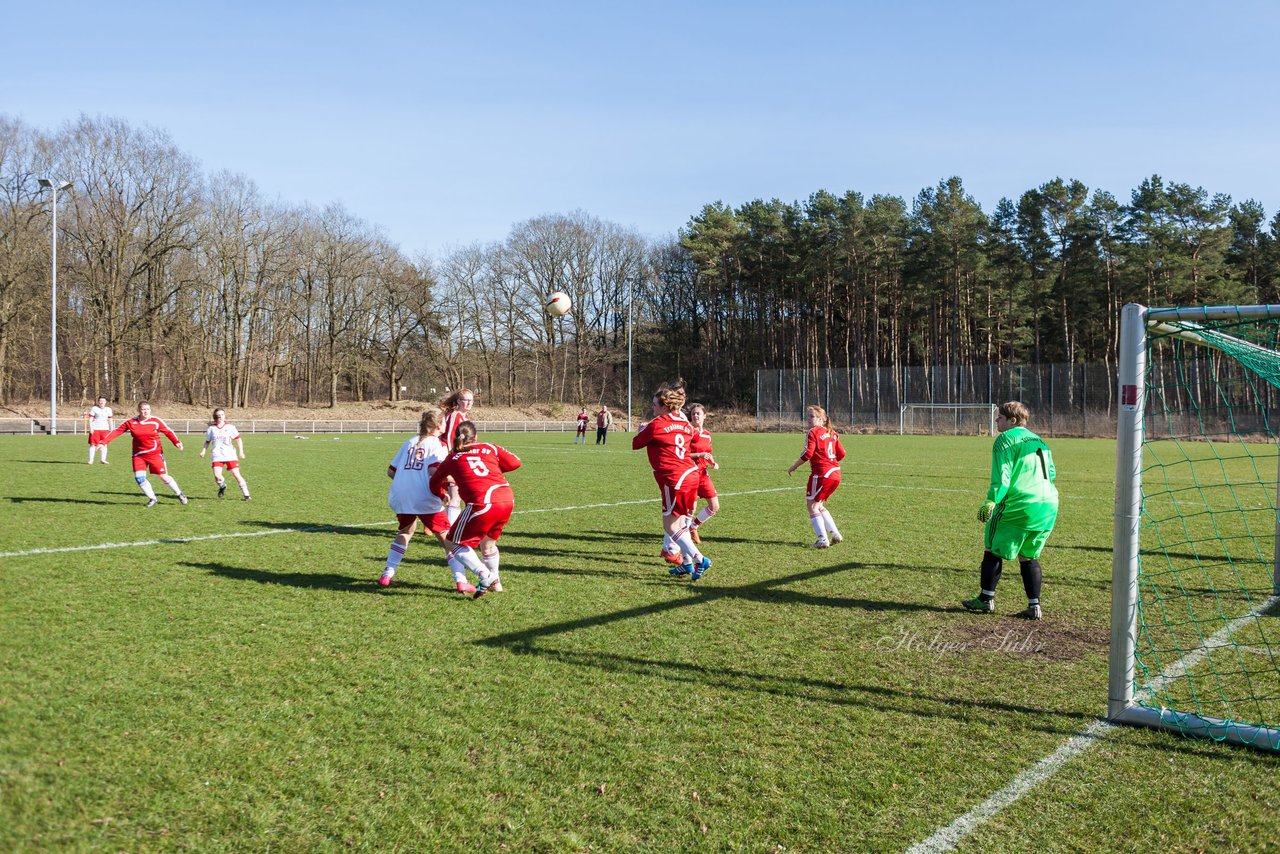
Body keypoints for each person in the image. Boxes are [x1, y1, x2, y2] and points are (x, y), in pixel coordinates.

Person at [962, 401, 1057, 620]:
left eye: (1000, 418)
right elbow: (1051, 473)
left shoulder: (1005, 439)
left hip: (1019, 504)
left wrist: (990, 502)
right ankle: (1034, 606)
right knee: (1028, 555)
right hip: (1048, 505)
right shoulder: (1040, 440)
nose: (996, 421)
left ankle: (985, 600)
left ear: (1012, 421)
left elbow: (1002, 478)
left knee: (992, 549)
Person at [430, 421, 522, 599]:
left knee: (452, 542)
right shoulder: (489, 447)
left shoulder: (452, 457)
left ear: (457, 438)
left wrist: (441, 494)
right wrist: (492, 469)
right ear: (476, 437)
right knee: (488, 545)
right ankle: (496, 582)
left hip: (483, 502)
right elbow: (516, 463)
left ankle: (485, 575)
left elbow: (433, 482)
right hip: (506, 497)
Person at [633, 380, 712, 580]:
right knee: (682, 524)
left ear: (663, 406)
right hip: (691, 474)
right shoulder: (685, 423)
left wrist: (642, 430)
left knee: (670, 526)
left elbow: (636, 444)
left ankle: (699, 559)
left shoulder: (656, 424)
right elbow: (688, 438)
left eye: (653, 405)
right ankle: (686, 564)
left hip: (674, 478)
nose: (651, 408)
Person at [379, 408, 462, 590]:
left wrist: (409, 480)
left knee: (405, 532)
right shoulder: (438, 444)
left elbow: (391, 472)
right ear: (440, 424)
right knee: (448, 540)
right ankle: (461, 580)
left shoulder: (409, 441)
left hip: (400, 496)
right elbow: (435, 471)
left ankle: (387, 573)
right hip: (423, 497)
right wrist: (457, 479)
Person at [101, 401, 187, 507]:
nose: (146, 411)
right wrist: (103, 442)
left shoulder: (156, 421)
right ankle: (152, 498)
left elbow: (168, 432)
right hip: (138, 455)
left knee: (163, 477)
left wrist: (176, 442)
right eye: (143, 409)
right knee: (139, 478)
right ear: (138, 410)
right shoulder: (131, 422)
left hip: (155, 454)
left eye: (148, 409)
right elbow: (117, 431)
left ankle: (179, 494)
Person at [787, 405, 845, 548]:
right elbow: (842, 454)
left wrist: (794, 466)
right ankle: (835, 534)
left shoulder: (813, 432)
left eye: (811, 416)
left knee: (812, 506)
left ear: (820, 419)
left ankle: (822, 540)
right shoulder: (832, 433)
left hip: (822, 474)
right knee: (819, 505)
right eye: (808, 416)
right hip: (835, 473)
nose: (808, 419)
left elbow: (808, 454)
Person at [439, 388, 475, 524]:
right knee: (455, 495)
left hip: (459, 457)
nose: (470, 403)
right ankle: (450, 531)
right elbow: (449, 439)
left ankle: (436, 523)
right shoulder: (456, 415)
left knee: (450, 494)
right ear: (459, 401)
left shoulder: (464, 416)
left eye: (472, 400)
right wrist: (453, 458)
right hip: (453, 458)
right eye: (466, 400)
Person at [686, 403, 720, 545]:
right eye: (693, 414)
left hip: (703, 475)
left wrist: (713, 463)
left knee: (714, 506)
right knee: (690, 510)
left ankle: (693, 527)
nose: (695, 416)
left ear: (704, 416)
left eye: (698, 413)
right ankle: (682, 537)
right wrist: (699, 454)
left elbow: (709, 452)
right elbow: (684, 454)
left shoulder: (707, 434)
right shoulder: (688, 433)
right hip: (691, 474)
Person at [199, 408, 251, 500]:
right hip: (217, 455)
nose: (220, 417)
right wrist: (203, 450)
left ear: (224, 416)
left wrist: (241, 451)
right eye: (218, 415)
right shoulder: (211, 428)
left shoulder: (230, 427)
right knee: (217, 476)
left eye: (222, 415)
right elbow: (207, 441)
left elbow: (238, 439)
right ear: (215, 417)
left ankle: (246, 494)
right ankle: (222, 485)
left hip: (230, 455)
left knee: (236, 474)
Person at [84, 396, 114, 464]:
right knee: (92, 444)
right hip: (95, 428)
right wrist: (91, 428)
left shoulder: (108, 409)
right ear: (98, 402)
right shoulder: (94, 408)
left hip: (105, 429)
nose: (102, 402)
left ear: (105, 402)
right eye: (100, 401)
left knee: (105, 444)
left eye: (103, 401)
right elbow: (90, 419)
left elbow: (110, 419)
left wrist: (111, 428)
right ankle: (91, 460)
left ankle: (103, 459)